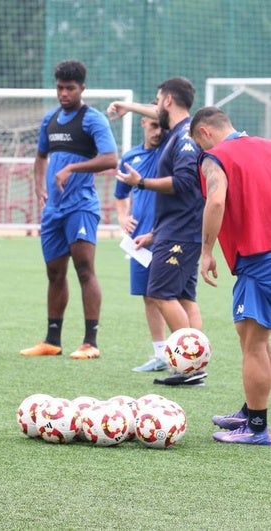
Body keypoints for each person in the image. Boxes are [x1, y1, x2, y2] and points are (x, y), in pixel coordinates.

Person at [109, 77, 206, 386]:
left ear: (167, 101)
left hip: (180, 231)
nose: (153, 108)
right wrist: (126, 106)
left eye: (156, 100)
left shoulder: (185, 137)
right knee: (184, 298)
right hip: (178, 228)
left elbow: (184, 183)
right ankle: (197, 365)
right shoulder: (180, 132)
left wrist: (142, 183)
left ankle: (189, 368)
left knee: (160, 293)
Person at [19, 59, 118, 360]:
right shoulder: (50, 119)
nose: (64, 93)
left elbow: (111, 159)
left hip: (81, 207)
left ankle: (90, 341)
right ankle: (52, 339)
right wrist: (39, 186)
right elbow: (40, 157)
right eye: (60, 88)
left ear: (82, 88)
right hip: (54, 210)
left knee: (85, 269)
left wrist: (73, 166)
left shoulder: (93, 119)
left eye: (70, 88)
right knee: (54, 272)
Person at [191, 106, 271, 445]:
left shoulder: (216, 157)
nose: (200, 150)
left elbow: (216, 201)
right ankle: (250, 408)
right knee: (261, 342)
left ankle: (255, 427)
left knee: (253, 343)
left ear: (206, 131)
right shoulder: (266, 146)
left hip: (258, 260)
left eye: (198, 142)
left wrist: (207, 251)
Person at [113, 114, 169, 372]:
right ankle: (160, 354)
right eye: (154, 125)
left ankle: (188, 355)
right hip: (139, 241)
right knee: (148, 297)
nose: (158, 132)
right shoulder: (130, 157)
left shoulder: (170, 153)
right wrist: (123, 217)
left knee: (173, 297)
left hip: (167, 235)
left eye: (162, 126)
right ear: (143, 124)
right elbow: (121, 195)